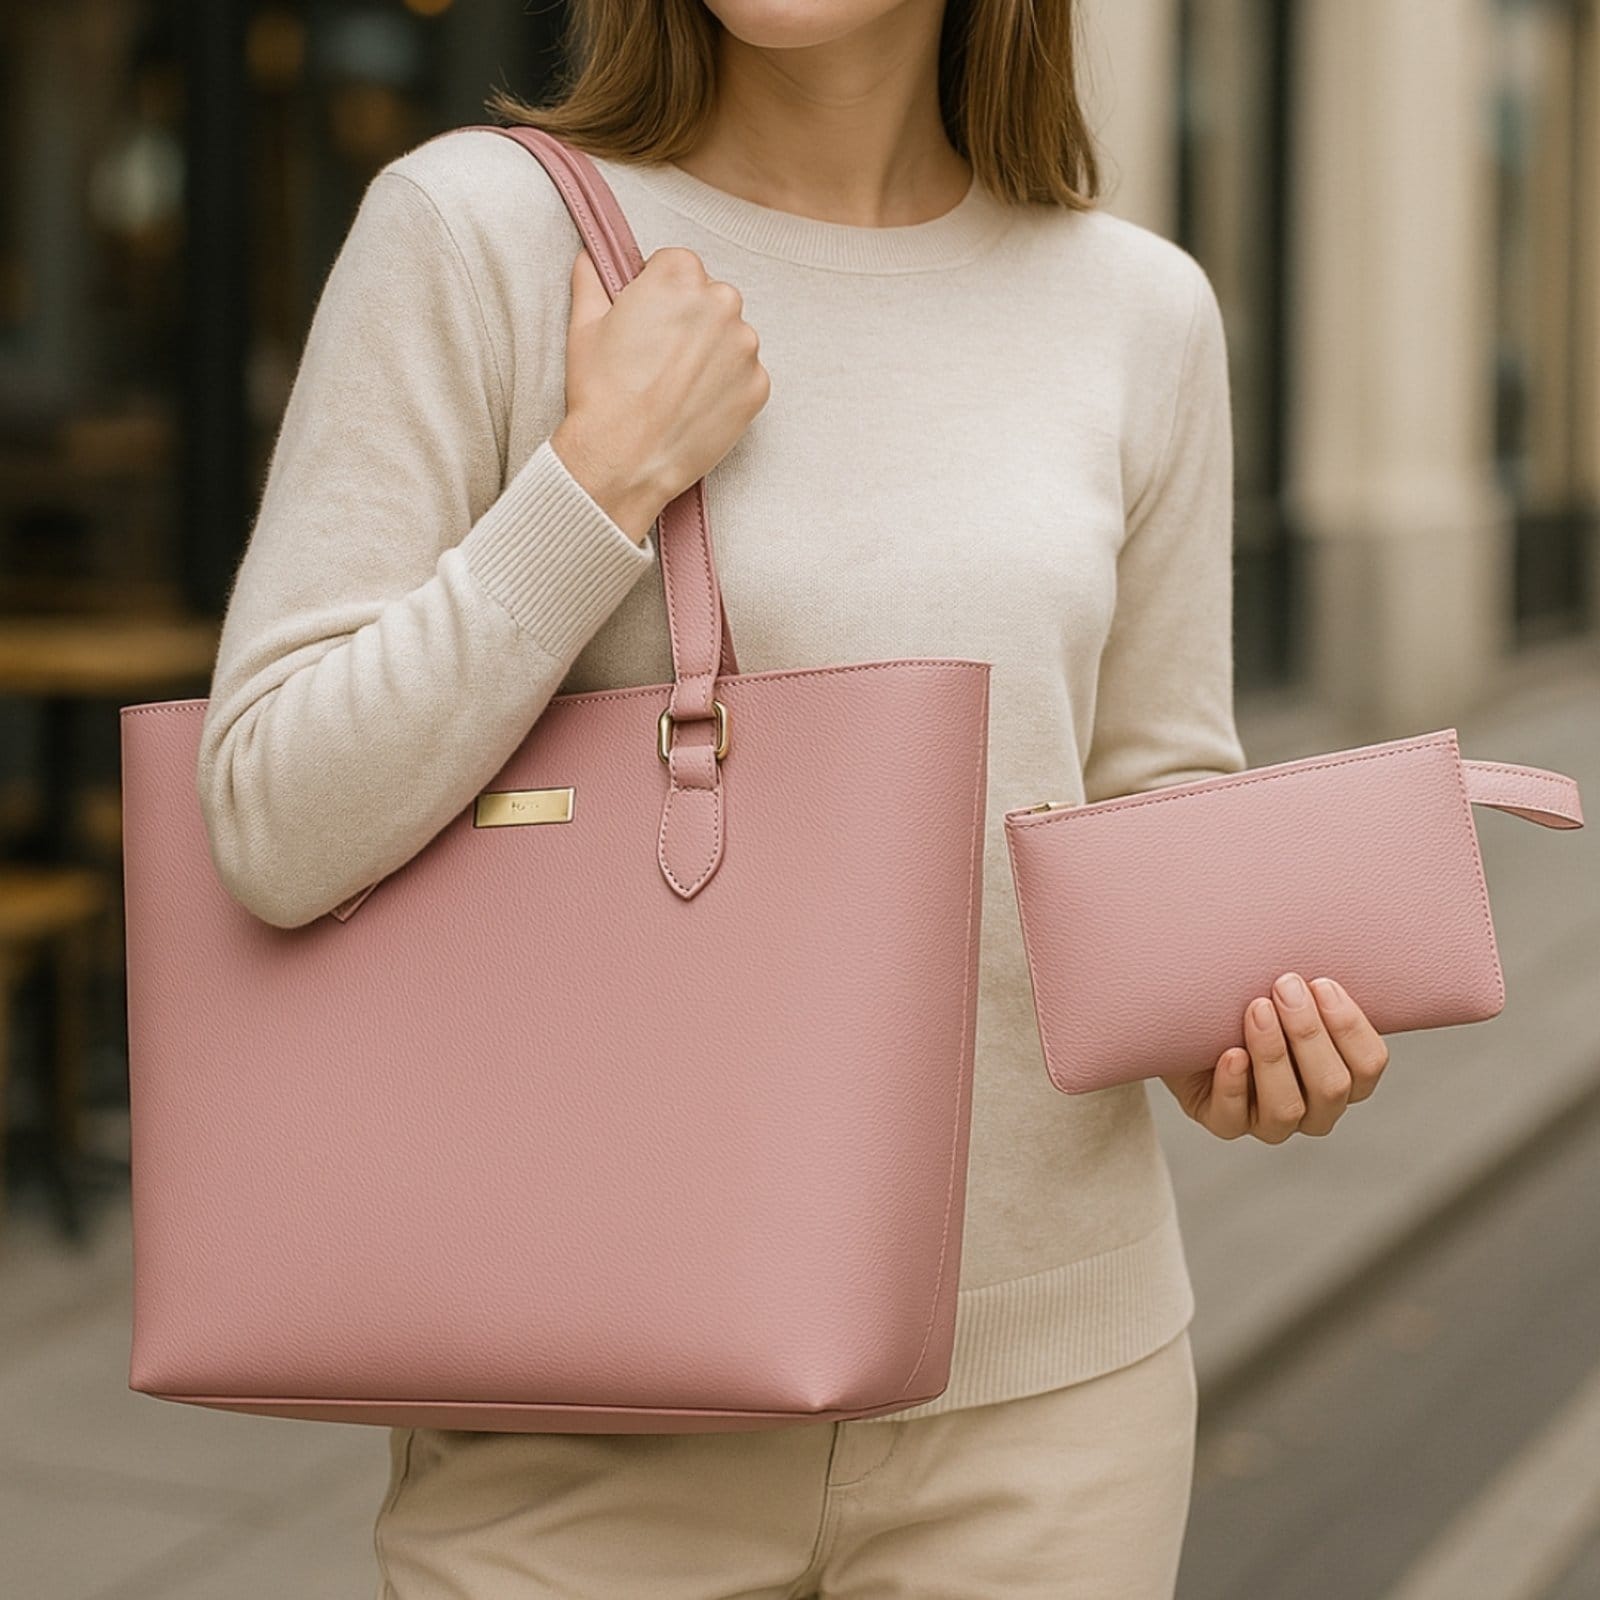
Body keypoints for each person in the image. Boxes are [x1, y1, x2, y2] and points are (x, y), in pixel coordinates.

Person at [196, 1, 1393, 1594]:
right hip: (585, 1408)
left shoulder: (1137, 308)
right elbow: (273, 819)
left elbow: (1148, 786)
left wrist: (1234, 1032)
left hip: (1048, 1417)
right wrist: (598, 483)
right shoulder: (476, 233)